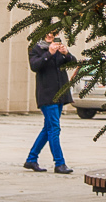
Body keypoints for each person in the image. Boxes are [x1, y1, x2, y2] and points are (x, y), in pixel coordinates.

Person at [24, 32, 77, 175]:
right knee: (54, 128)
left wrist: (66, 54)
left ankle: (31, 159)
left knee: (48, 128)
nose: (50, 36)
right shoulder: (36, 49)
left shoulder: (58, 47)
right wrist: (49, 53)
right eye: (47, 33)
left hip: (60, 94)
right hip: (47, 95)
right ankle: (59, 163)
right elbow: (35, 66)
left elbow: (73, 63)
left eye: (53, 33)